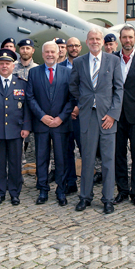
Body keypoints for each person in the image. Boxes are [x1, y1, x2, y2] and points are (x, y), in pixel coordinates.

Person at [69, 28, 123, 214]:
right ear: (87, 41)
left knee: (108, 160)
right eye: (91, 39)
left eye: (97, 38)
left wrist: (113, 114)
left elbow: (119, 89)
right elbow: (73, 85)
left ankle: (108, 198)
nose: (94, 41)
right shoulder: (79, 61)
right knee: (88, 159)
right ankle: (85, 197)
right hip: (87, 116)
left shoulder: (114, 61)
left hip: (107, 117)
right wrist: (84, 100)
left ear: (102, 41)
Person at [0, 48, 32, 205]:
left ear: (13, 65)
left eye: (7, 64)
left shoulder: (22, 84)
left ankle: (15, 193)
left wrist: (26, 127)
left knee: (15, 164)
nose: (4, 66)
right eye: (1, 63)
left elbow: (27, 109)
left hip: (16, 131)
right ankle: (0, 192)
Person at [26, 41, 73, 206]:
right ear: (42, 53)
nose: (50, 54)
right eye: (47, 52)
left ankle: (61, 190)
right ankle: (43, 189)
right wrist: (42, 116)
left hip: (61, 124)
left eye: (53, 51)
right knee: (41, 159)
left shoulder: (68, 73)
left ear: (59, 52)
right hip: (41, 124)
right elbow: (30, 97)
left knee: (61, 159)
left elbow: (71, 98)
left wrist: (61, 117)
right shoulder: (33, 73)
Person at [112, 26, 135, 208]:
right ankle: (122, 190)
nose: (127, 41)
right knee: (118, 154)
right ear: (120, 39)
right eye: (124, 38)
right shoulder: (111, 59)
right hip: (116, 117)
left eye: (130, 37)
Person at [62, 37, 81, 193]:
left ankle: (87, 184)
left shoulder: (86, 65)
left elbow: (90, 89)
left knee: (85, 150)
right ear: (66, 48)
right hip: (66, 116)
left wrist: (79, 107)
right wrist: (69, 110)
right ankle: (70, 182)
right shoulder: (60, 67)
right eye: (70, 46)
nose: (73, 48)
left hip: (83, 115)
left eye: (76, 45)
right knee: (67, 151)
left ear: (80, 47)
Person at [14, 39, 38, 154]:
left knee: (34, 147)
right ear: (19, 50)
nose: (25, 50)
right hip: (16, 113)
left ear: (33, 50)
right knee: (16, 149)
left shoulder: (38, 69)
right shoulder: (11, 68)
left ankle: (34, 169)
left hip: (33, 113)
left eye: (28, 48)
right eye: (23, 48)